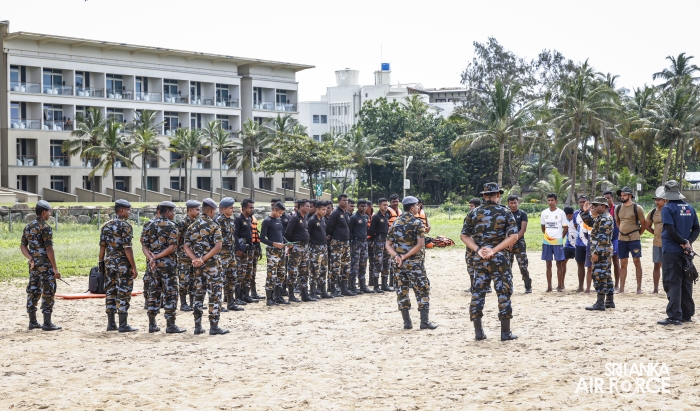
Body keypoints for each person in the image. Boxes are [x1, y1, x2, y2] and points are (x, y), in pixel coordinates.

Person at [461, 183, 518, 341]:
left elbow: (464, 236)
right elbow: (513, 236)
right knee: (503, 293)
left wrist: (478, 249)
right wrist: (495, 250)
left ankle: (478, 332)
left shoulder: (473, 213)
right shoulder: (505, 212)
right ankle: (505, 333)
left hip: (480, 259)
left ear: (484, 196)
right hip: (499, 259)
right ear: (498, 195)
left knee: (478, 293)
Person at [387, 195, 437, 331]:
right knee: (422, 288)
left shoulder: (395, 222)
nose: (418, 207)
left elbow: (387, 244)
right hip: (414, 263)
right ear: (411, 208)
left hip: (398, 263)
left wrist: (397, 256)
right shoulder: (417, 223)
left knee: (401, 290)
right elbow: (420, 244)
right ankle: (424, 322)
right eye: (416, 205)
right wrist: (405, 256)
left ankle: (407, 323)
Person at [657, 181, 700, 325]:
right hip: (686, 252)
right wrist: (688, 242)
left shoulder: (667, 208)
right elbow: (696, 228)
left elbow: (670, 229)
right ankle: (687, 315)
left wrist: (682, 242)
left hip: (672, 250)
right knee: (687, 282)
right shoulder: (690, 207)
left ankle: (674, 316)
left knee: (672, 282)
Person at [184, 198, 229, 335]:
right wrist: (203, 259)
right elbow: (218, 246)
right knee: (214, 295)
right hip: (212, 266)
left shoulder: (192, 226)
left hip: (198, 267)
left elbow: (186, 246)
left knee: (198, 294)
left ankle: (197, 326)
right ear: (211, 210)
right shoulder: (214, 225)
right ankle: (214, 327)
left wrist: (195, 259)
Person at [141, 201, 185, 333]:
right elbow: (172, 248)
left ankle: (152, 324)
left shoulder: (148, 224)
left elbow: (144, 246)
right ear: (168, 212)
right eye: (173, 211)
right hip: (168, 266)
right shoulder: (172, 226)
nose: (174, 214)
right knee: (170, 294)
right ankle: (170, 325)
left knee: (153, 293)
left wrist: (151, 258)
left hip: (153, 266)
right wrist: (157, 256)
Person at [21, 200, 62, 331]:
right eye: (49, 211)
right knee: (48, 291)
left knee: (33, 290)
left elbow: (23, 246)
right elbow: (49, 249)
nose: (50, 214)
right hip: (45, 265)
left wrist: (30, 258)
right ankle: (47, 323)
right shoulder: (45, 228)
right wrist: (55, 268)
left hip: (34, 266)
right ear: (44, 212)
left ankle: (32, 322)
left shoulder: (28, 227)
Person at [99, 199, 138, 333]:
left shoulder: (106, 225)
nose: (129, 212)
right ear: (121, 210)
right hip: (122, 264)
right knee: (123, 292)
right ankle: (123, 324)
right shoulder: (125, 226)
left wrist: (101, 264)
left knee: (110, 292)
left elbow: (102, 247)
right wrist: (133, 267)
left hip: (108, 263)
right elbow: (127, 248)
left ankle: (111, 324)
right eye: (128, 210)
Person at [579, 197, 615, 311]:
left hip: (601, 252)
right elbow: (590, 223)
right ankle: (609, 301)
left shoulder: (605, 219)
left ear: (603, 206)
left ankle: (600, 303)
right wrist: (585, 212)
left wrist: (596, 252)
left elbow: (603, 238)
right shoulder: (601, 217)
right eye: (593, 205)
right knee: (606, 275)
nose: (593, 207)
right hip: (604, 251)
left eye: (596, 205)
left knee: (599, 276)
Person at [213, 197, 243, 312]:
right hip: (221, 255)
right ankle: (219, 305)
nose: (233, 210)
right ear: (224, 209)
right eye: (231, 208)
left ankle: (231, 303)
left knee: (232, 279)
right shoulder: (218, 221)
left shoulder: (231, 221)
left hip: (231, 255)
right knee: (220, 280)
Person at [614, 186, 646, 294]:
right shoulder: (618, 208)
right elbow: (618, 222)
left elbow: (644, 224)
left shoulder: (637, 208)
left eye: (624, 195)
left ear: (630, 195)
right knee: (623, 263)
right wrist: (623, 231)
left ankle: (639, 288)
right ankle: (621, 289)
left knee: (637, 261)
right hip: (621, 239)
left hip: (634, 239)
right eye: (621, 195)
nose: (622, 197)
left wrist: (637, 234)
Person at [260, 201, 291, 306]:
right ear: (274, 210)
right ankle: (269, 298)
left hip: (281, 250)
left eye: (282, 213)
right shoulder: (267, 221)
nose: (281, 215)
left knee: (281, 274)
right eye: (279, 213)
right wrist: (273, 244)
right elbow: (262, 238)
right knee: (271, 274)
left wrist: (287, 243)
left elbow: (281, 235)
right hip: (272, 250)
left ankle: (278, 296)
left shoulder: (279, 220)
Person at [285, 199, 315, 302]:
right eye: (307, 206)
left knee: (304, 270)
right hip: (297, 247)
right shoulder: (294, 218)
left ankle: (304, 294)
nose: (309, 208)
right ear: (301, 207)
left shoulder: (305, 217)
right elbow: (287, 233)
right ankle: (291, 294)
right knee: (293, 271)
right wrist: (291, 245)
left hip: (305, 247)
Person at [540, 193, 568, 292]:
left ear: (556, 201)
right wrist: (548, 236)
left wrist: (560, 238)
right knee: (548, 264)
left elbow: (565, 228)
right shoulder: (544, 213)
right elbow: (543, 227)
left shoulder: (561, 213)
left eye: (552, 200)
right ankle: (549, 287)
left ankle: (560, 285)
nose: (550, 202)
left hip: (558, 242)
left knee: (559, 264)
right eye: (549, 200)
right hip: (547, 242)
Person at [327, 194, 353, 296]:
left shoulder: (346, 213)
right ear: (339, 202)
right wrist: (332, 236)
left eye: (347, 200)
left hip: (346, 242)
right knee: (335, 266)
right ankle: (333, 288)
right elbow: (329, 227)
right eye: (343, 200)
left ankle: (344, 288)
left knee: (346, 265)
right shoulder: (335, 213)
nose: (346, 202)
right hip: (337, 242)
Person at [234, 198, 258, 304]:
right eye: (250, 207)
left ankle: (246, 295)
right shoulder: (238, 219)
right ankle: (238, 297)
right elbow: (234, 235)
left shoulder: (249, 219)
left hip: (249, 250)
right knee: (240, 274)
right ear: (244, 208)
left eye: (253, 207)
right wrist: (237, 249)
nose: (252, 209)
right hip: (242, 250)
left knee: (248, 273)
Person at [507, 195, 532, 293]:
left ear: (518, 202)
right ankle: (509, 287)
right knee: (507, 267)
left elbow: (523, 229)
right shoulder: (505, 214)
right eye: (511, 203)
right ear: (508, 203)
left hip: (519, 243)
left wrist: (513, 241)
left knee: (523, 266)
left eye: (515, 202)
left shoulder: (522, 214)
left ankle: (528, 286)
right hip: (506, 243)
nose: (513, 205)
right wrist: (508, 242)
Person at [308, 200, 332, 299]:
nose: (324, 211)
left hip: (324, 246)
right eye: (323, 209)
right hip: (315, 248)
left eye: (325, 209)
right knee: (315, 270)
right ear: (317, 209)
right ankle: (313, 292)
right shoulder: (312, 220)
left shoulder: (322, 219)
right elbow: (308, 234)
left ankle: (323, 291)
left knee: (323, 270)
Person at [175, 202, 196, 311]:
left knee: (193, 279)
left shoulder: (196, 222)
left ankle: (193, 302)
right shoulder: (183, 223)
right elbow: (177, 239)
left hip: (194, 255)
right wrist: (179, 252)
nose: (199, 212)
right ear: (190, 210)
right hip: (183, 256)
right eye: (197, 209)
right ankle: (183, 303)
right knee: (184, 279)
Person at [646, 188, 666, 294]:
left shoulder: (669, 210)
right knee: (656, 265)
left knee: (668, 267)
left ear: (665, 200)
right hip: (657, 243)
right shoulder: (653, 212)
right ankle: (655, 289)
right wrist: (656, 233)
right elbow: (647, 225)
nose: (656, 202)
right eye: (656, 200)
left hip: (669, 243)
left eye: (659, 200)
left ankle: (668, 288)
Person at [368, 197, 390, 293]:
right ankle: (376, 285)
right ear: (379, 205)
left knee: (386, 262)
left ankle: (384, 284)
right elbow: (371, 231)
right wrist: (374, 239)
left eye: (387, 205)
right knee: (378, 263)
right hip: (378, 241)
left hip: (386, 241)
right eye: (384, 205)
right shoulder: (376, 217)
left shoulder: (387, 215)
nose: (386, 207)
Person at [349, 199, 371, 294]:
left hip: (364, 243)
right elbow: (349, 231)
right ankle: (352, 286)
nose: (364, 208)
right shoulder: (354, 217)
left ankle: (363, 286)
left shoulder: (366, 217)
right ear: (358, 207)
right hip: (356, 243)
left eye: (365, 206)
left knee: (363, 264)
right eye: (362, 206)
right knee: (355, 265)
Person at [602, 191, 622, 291]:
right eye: (604, 198)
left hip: (615, 237)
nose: (607, 200)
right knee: (605, 262)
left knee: (615, 261)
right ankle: (606, 284)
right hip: (604, 238)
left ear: (612, 198)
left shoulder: (617, 209)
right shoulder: (602, 210)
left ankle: (617, 284)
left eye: (608, 198)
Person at [572, 195, 591, 292]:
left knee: (590, 266)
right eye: (580, 202)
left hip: (589, 242)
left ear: (588, 202)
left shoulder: (592, 212)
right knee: (580, 264)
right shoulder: (576, 213)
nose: (582, 203)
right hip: (579, 243)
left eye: (584, 201)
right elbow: (576, 226)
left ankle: (589, 287)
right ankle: (580, 286)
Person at [464, 198, 482, 293]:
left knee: (481, 266)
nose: (470, 208)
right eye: (470, 206)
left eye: (471, 206)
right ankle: (472, 286)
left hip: (480, 246)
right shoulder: (469, 217)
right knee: (470, 266)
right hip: (470, 245)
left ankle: (486, 286)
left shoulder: (483, 217)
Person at [386, 194, 402, 291]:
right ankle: (391, 282)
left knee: (396, 260)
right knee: (390, 261)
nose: (395, 203)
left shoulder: (400, 211)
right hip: (390, 239)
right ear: (390, 202)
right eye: (393, 202)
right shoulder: (387, 211)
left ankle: (395, 282)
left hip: (398, 239)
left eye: (397, 201)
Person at [251, 214, 263, 300]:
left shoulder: (253, 219)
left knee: (253, 272)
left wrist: (259, 249)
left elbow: (256, 234)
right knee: (245, 273)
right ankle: (243, 295)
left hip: (255, 247)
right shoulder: (240, 220)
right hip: (247, 249)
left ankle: (253, 292)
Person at [563, 206, 577, 279]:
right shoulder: (565, 220)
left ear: (572, 214)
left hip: (577, 245)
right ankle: (561, 282)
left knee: (580, 263)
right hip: (568, 244)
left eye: (570, 216)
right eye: (567, 216)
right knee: (563, 262)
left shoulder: (577, 220)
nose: (569, 217)